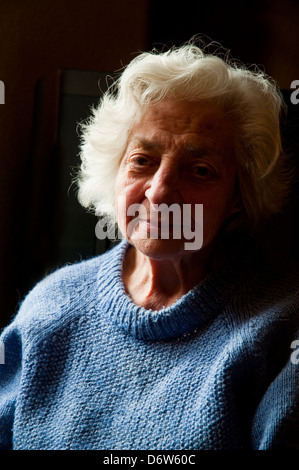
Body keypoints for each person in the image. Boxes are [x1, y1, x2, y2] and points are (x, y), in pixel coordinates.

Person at [0, 41, 298, 450]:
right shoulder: (51, 307)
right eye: (143, 159)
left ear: (238, 197)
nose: (159, 193)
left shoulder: (280, 327)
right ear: (115, 169)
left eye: (200, 169)